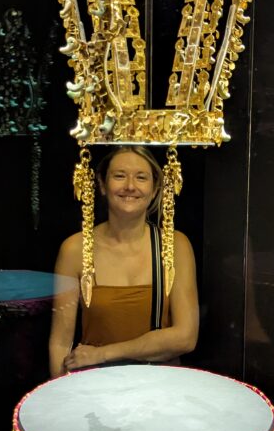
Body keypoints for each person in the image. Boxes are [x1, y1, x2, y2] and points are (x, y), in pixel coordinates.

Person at [49, 146, 199, 378]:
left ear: (155, 188)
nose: (130, 186)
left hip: (160, 385)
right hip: (95, 385)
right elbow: (60, 343)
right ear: (102, 184)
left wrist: (103, 354)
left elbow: (185, 337)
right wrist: (60, 393)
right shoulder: (75, 249)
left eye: (141, 177)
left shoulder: (174, 246)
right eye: (119, 176)